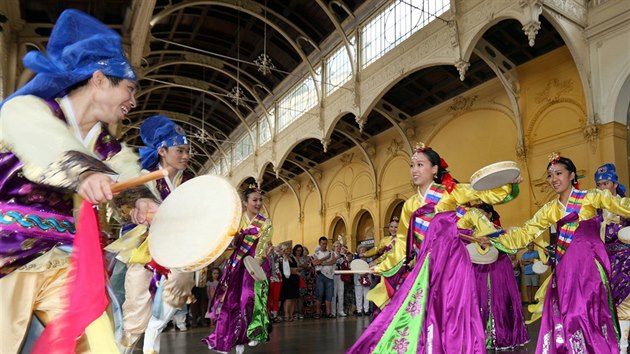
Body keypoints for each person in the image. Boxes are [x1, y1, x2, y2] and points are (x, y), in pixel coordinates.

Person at [0, 9, 158, 353]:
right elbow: (44, 143)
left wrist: (142, 202)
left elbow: (126, 175)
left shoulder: (106, 147)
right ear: (100, 79)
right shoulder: (26, 110)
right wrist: (84, 173)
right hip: (7, 258)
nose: (133, 101)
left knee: (97, 343)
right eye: (129, 88)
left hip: (64, 263)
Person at [347, 143, 519, 353]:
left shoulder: (451, 192)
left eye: (420, 164)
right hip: (427, 266)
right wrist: (381, 265)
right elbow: (402, 243)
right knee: (425, 312)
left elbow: (484, 194)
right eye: (412, 165)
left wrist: (508, 183)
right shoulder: (410, 205)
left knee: (453, 312)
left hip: (454, 263)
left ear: (435, 169)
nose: (414, 170)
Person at [488, 154, 626, 353]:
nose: (554, 179)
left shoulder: (590, 197)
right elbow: (524, 233)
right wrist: (494, 237)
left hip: (590, 267)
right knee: (568, 315)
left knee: (588, 312)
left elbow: (621, 205)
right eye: (550, 175)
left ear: (572, 175)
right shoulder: (549, 209)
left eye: (559, 173)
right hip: (566, 269)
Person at [203, 185, 273, 354]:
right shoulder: (235, 221)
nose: (258, 203)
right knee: (231, 301)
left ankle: (251, 333)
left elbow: (263, 246)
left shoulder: (266, 222)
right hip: (237, 263)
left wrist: (255, 264)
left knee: (248, 298)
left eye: (260, 200)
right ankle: (230, 339)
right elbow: (230, 244)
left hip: (255, 264)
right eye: (254, 200)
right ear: (245, 202)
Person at [473, 203, 528, 350]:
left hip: (498, 270)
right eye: (474, 214)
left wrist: (495, 240)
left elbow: (511, 247)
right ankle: (482, 337)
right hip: (479, 271)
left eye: (481, 213)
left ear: (490, 215)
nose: (477, 217)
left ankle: (502, 336)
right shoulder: (472, 232)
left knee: (500, 302)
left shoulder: (497, 231)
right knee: (480, 302)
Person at [594, 163, 630, 352]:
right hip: (602, 262)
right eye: (598, 185)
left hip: (625, 260)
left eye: (605, 183)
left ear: (615, 184)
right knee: (605, 305)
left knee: (624, 304)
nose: (602, 188)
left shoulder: (626, 206)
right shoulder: (594, 212)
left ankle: (623, 346)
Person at [362, 217, 403, 314]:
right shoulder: (385, 239)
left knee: (393, 292)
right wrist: (365, 254)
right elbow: (376, 248)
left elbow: (388, 255)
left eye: (396, 227)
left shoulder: (401, 241)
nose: (393, 229)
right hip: (384, 270)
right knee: (378, 290)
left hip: (396, 269)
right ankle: (380, 314)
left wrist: (375, 262)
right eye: (391, 226)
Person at [312, 236, 336, 319]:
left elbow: (333, 261)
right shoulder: (316, 254)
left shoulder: (331, 252)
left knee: (329, 295)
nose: (324, 245)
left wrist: (322, 263)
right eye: (323, 244)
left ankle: (328, 312)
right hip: (320, 275)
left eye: (326, 244)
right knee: (320, 294)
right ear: (319, 244)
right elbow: (315, 263)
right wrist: (326, 258)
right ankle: (318, 312)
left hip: (330, 276)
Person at [280, 243, 300, 321]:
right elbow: (284, 269)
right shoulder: (282, 258)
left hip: (295, 279)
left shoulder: (292, 257)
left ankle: (291, 314)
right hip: (287, 279)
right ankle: (286, 314)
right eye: (287, 249)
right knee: (288, 297)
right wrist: (294, 271)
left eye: (289, 249)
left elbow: (297, 266)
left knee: (294, 298)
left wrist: (296, 270)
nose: (288, 251)